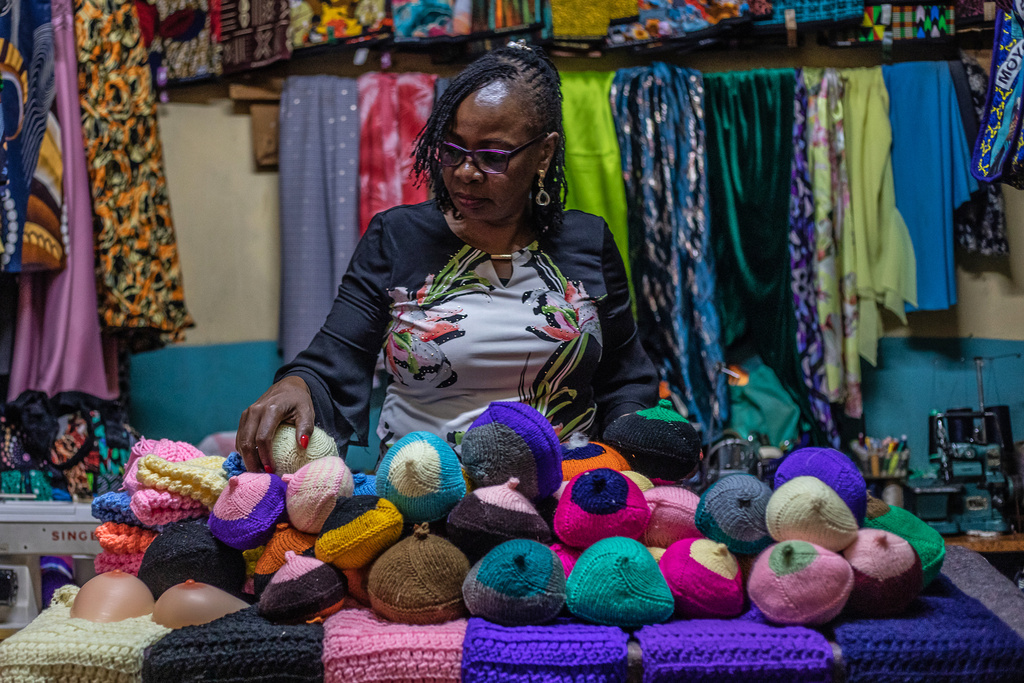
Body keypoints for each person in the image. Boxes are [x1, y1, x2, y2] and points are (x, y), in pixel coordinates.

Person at [236, 43, 659, 474]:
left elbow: (625, 376)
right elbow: (337, 355)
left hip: (568, 492)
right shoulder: (397, 237)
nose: (465, 172)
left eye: (493, 156)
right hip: (424, 493)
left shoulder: (588, 240)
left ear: (544, 154)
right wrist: (297, 384)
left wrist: (634, 440)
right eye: (453, 150)